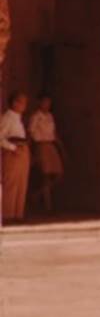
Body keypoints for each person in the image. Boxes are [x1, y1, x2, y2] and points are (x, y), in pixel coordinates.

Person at [27, 94, 65, 214]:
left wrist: (62, 148)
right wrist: (29, 150)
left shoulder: (50, 116)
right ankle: (48, 207)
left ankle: (36, 195)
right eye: (44, 102)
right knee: (45, 175)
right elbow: (30, 133)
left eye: (49, 103)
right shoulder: (35, 116)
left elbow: (54, 133)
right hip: (41, 145)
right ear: (39, 102)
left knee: (59, 174)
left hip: (51, 145)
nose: (47, 105)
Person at [1, 92, 30, 223]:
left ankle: (17, 214)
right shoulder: (7, 118)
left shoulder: (18, 118)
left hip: (22, 150)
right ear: (14, 103)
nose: (24, 105)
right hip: (13, 151)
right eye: (21, 102)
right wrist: (13, 148)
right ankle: (7, 215)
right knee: (11, 183)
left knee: (21, 182)